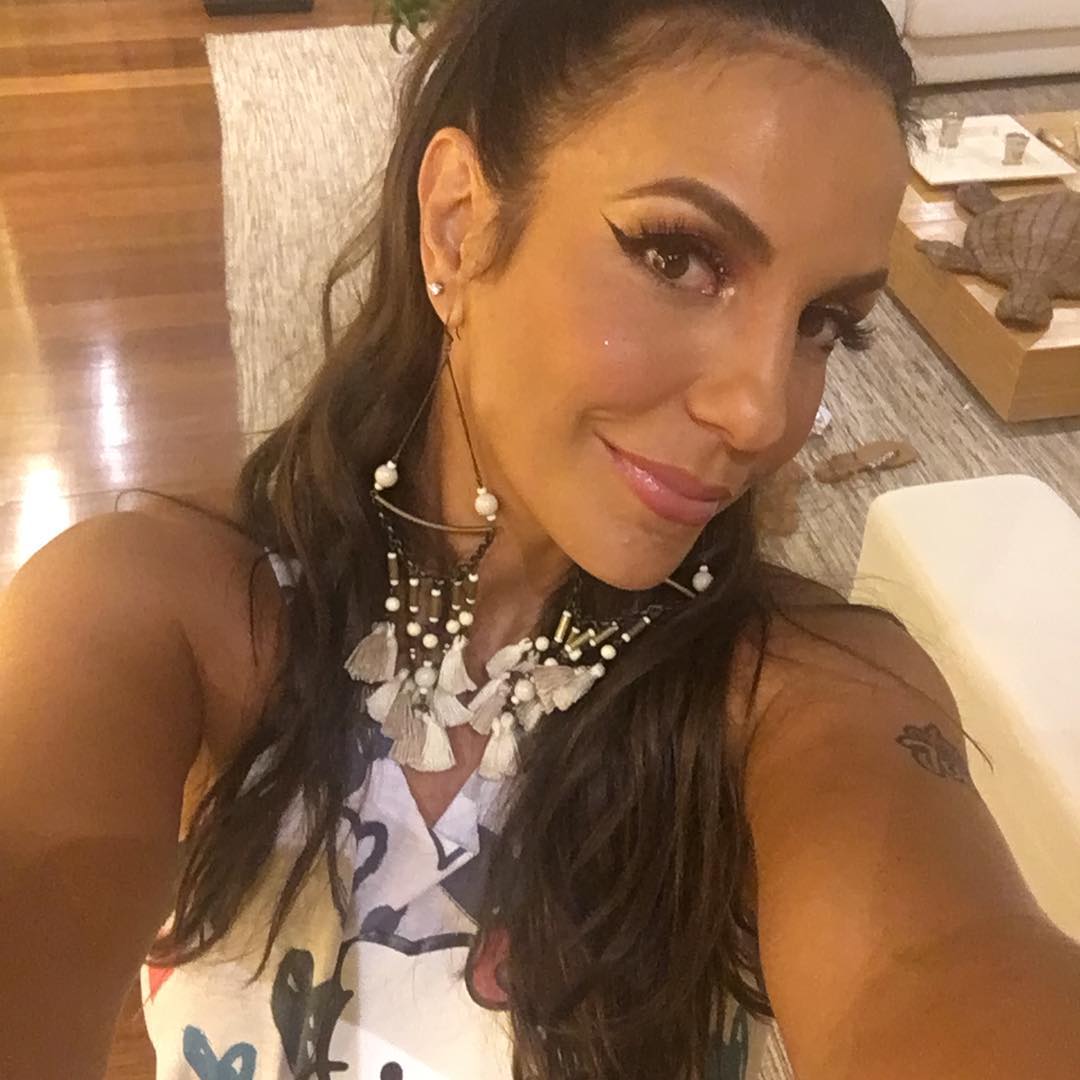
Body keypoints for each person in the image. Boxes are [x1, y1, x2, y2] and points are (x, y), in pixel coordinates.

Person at [3, 0, 1080, 1077]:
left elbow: (938, 961)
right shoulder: (163, 613)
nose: (762, 412)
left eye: (823, 322)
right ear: (458, 224)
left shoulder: (809, 695)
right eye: (680, 258)